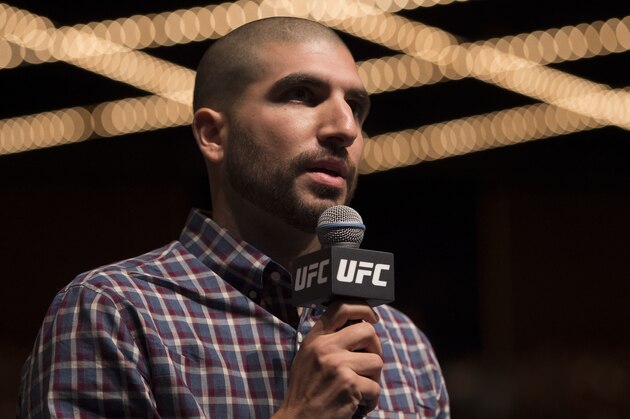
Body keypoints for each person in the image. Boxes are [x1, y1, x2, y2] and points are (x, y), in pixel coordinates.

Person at [18, 17, 449, 418]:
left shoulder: (405, 345)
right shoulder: (115, 312)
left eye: (355, 106)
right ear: (213, 134)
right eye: (301, 95)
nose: (345, 128)